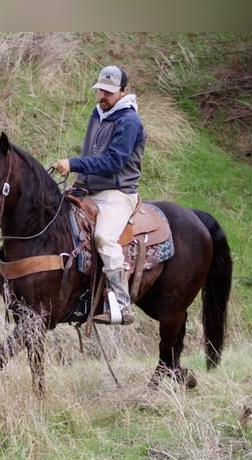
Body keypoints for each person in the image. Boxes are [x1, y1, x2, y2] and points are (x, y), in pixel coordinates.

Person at [52, 65, 146, 325]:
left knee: (104, 237)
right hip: (90, 190)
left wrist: (74, 164)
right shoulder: (98, 113)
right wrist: (79, 183)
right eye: (101, 90)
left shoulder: (130, 122)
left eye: (109, 92)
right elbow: (89, 152)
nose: (103, 96)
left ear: (124, 92)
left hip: (118, 193)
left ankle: (122, 304)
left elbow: (114, 162)